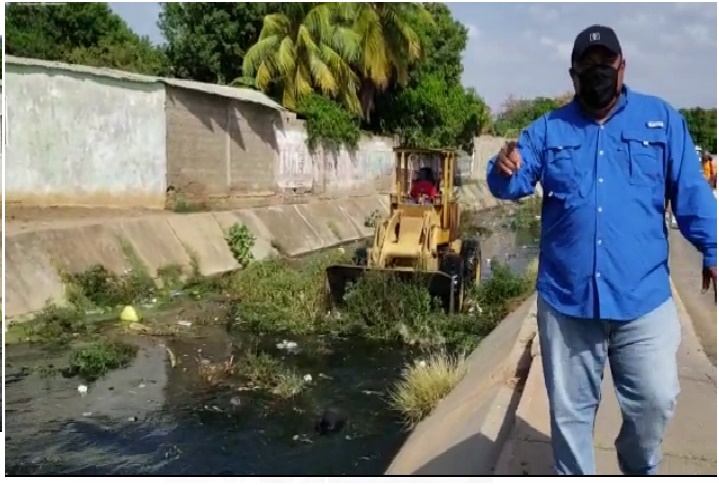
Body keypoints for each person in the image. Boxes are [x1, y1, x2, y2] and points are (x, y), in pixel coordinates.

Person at [486, 25, 717, 475]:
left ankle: (637, 468)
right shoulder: (547, 129)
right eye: (587, 65)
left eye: (605, 63)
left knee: (656, 400)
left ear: (622, 66)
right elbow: (510, 183)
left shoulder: (662, 119)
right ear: (573, 73)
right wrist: (503, 169)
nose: (597, 72)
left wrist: (713, 247)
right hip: (567, 302)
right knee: (570, 418)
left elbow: (690, 192)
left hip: (643, 301)